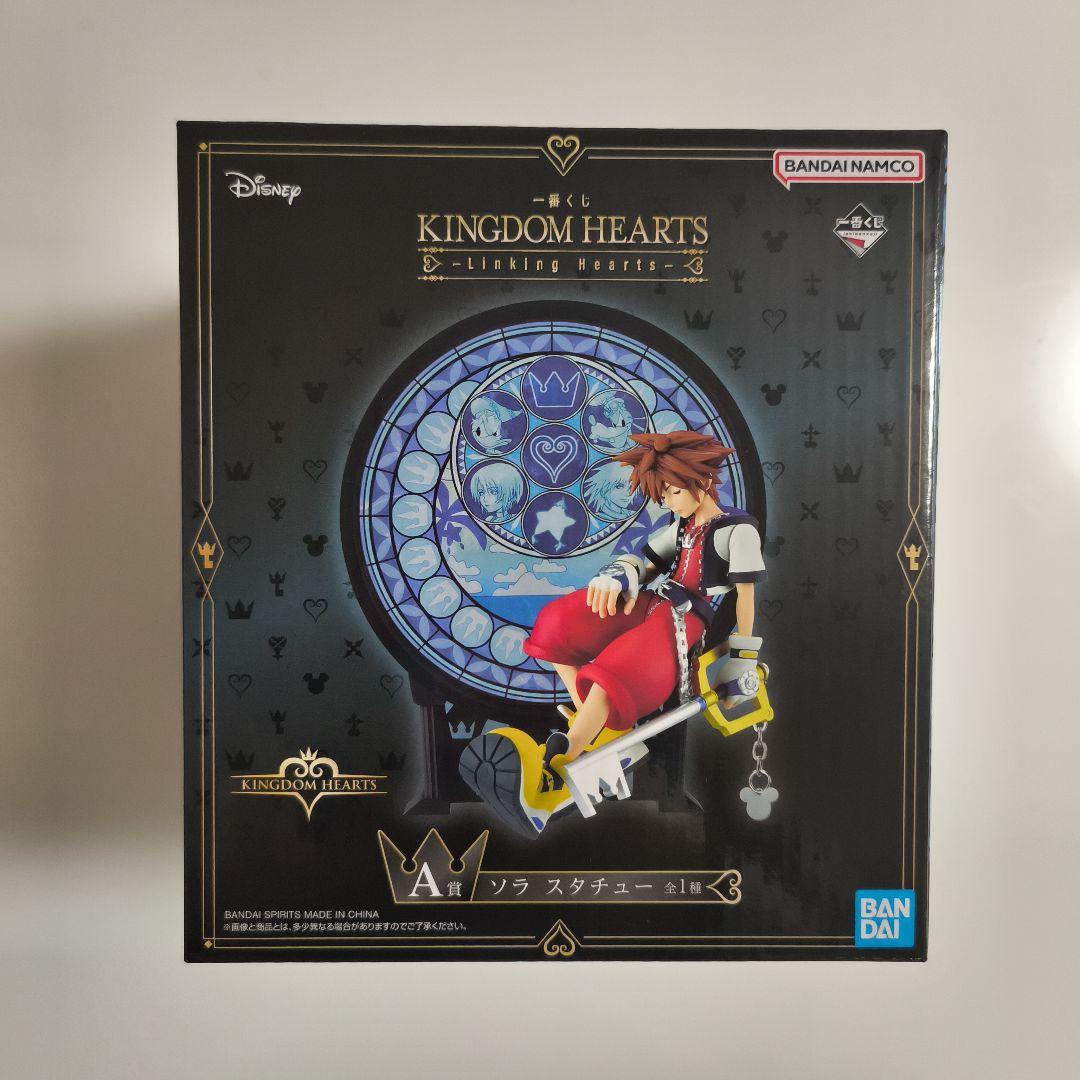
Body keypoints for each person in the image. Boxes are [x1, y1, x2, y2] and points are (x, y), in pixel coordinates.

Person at [459, 430, 767, 837]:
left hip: (686, 620)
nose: (669, 503)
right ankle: (602, 730)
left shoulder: (737, 531)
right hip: (651, 601)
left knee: (617, 671)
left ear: (704, 481)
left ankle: (556, 769)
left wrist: (743, 657)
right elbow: (646, 563)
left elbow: (745, 596)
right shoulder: (682, 526)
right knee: (557, 625)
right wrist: (619, 575)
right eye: (664, 496)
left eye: (674, 492)